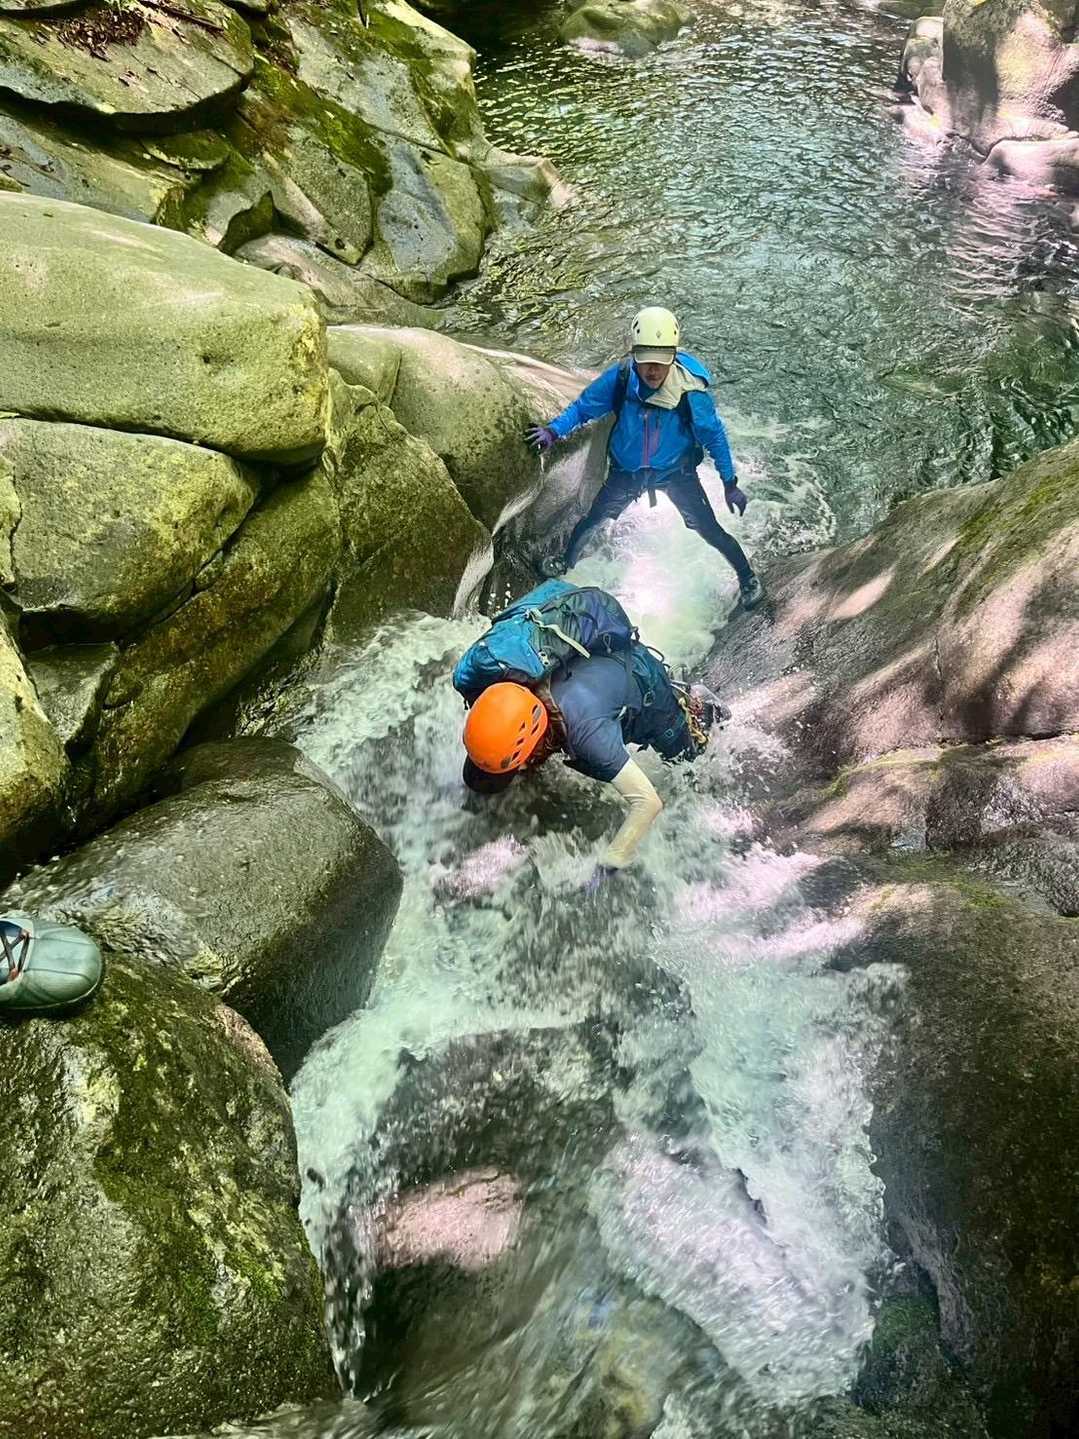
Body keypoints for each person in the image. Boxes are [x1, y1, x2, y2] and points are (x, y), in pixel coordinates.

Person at [526, 306, 765, 610]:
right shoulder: (622, 378)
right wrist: (553, 431)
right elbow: (583, 408)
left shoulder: (690, 393)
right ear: (634, 354)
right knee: (594, 519)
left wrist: (729, 482)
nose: (653, 370)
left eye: (661, 362)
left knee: (708, 529)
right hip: (626, 473)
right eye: (646, 361)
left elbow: (714, 437)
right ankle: (565, 561)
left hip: (676, 474)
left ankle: (747, 578)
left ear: (673, 357)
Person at [460, 646, 727, 881]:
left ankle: (696, 703)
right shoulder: (510, 689)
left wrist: (612, 860)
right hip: (600, 671)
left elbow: (648, 804)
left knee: (691, 767)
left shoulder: (588, 738)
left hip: (647, 690)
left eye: (515, 766)